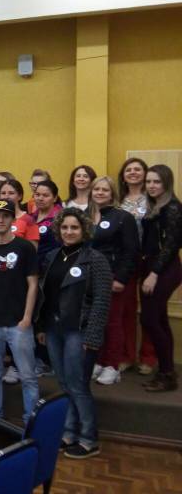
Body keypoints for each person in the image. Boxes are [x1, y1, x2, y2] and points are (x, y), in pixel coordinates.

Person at [37, 207, 112, 459]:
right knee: (63, 383)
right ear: (59, 230)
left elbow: (102, 301)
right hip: (54, 329)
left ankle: (89, 439)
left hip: (78, 331)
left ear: (84, 230)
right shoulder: (52, 256)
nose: (69, 232)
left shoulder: (96, 260)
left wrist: (92, 337)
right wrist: (41, 327)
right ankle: (68, 433)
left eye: (75, 228)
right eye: (65, 227)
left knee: (78, 385)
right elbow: (44, 295)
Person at [0, 199, 40, 423]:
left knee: (28, 376)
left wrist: (27, 318)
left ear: (13, 219)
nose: (0, 219)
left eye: (5, 215)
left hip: (18, 323)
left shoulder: (25, 248)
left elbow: (33, 284)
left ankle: (31, 420)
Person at [88, 176, 139, 386]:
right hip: (89, 277)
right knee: (95, 321)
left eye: (105, 190)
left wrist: (120, 278)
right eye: (97, 189)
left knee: (112, 322)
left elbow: (131, 251)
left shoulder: (122, 217)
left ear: (112, 194)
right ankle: (99, 361)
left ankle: (112, 365)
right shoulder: (86, 216)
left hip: (112, 278)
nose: (100, 193)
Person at [140, 164, 182, 392]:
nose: (152, 186)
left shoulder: (173, 208)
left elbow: (171, 246)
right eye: (149, 182)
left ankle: (166, 374)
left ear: (166, 183)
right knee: (159, 320)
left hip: (164, 268)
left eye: (156, 182)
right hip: (152, 265)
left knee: (150, 320)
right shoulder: (154, 206)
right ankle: (167, 370)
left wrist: (154, 274)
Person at [118, 157, 157, 375]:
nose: (133, 172)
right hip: (127, 260)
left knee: (150, 311)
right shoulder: (118, 200)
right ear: (123, 175)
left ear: (145, 173)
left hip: (150, 258)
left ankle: (148, 357)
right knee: (126, 309)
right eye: (129, 169)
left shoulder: (153, 198)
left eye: (137, 169)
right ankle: (126, 355)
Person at [31, 180, 63, 266]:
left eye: (45, 195)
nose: (40, 198)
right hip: (31, 267)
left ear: (55, 198)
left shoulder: (61, 218)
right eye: (37, 195)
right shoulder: (30, 217)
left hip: (52, 266)